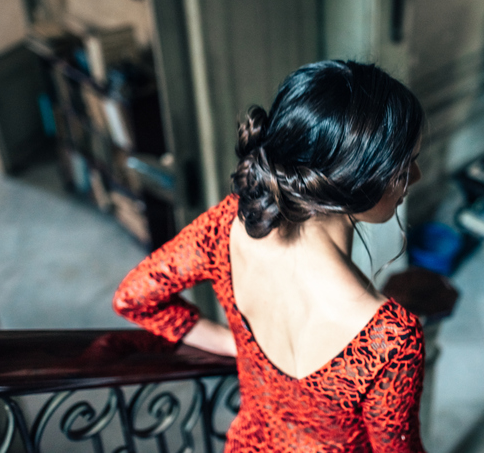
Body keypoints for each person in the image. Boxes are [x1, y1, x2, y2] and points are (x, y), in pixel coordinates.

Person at [113, 60, 427, 452]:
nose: (414, 177)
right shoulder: (391, 340)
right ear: (359, 179)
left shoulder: (225, 225)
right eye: (404, 165)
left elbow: (134, 298)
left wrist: (240, 347)